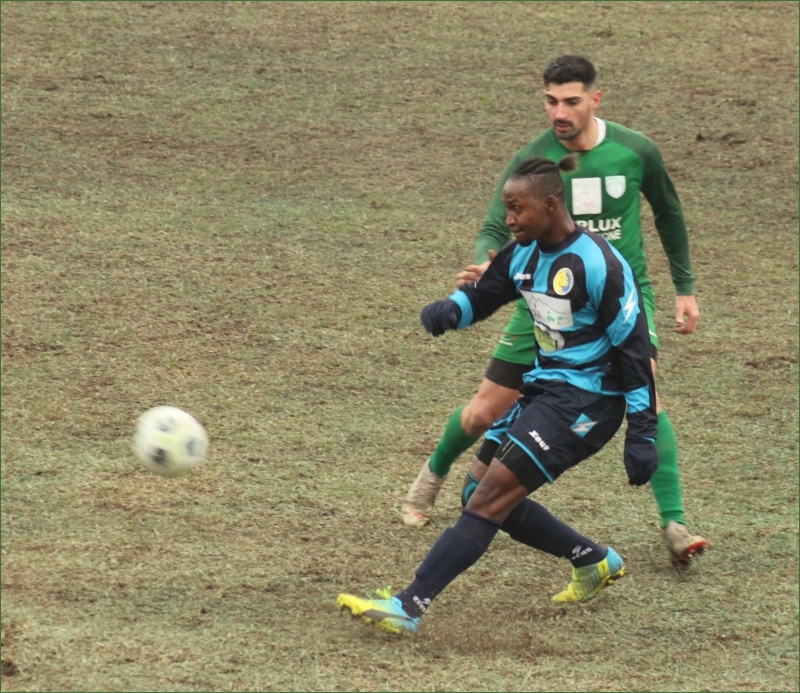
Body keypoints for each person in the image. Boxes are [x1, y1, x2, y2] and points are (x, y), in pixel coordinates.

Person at [401, 55, 707, 566]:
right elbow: (495, 226)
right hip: (541, 302)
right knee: (484, 411)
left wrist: (685, 288)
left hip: (618, 302)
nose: (559, 112)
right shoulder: (534, 159)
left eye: (571, 101)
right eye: (550, 101)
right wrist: (488, 264)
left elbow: (669, 214)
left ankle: (673, 522)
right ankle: (431, 477)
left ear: (595, 99)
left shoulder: (635, 150)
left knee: (646, 390)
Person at [338, 156, 659, 635]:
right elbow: (485, 294)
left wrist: (642, 432)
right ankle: (593, 560)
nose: (509, 219)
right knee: (477, 491)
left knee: (488, 498)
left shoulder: (599, 264)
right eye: (507, 208)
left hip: (587, 404)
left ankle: (408, 606)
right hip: (545, 389)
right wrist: (452, 311)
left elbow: (635, 351)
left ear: (549, 205)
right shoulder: (523, 253)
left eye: (517, 208)